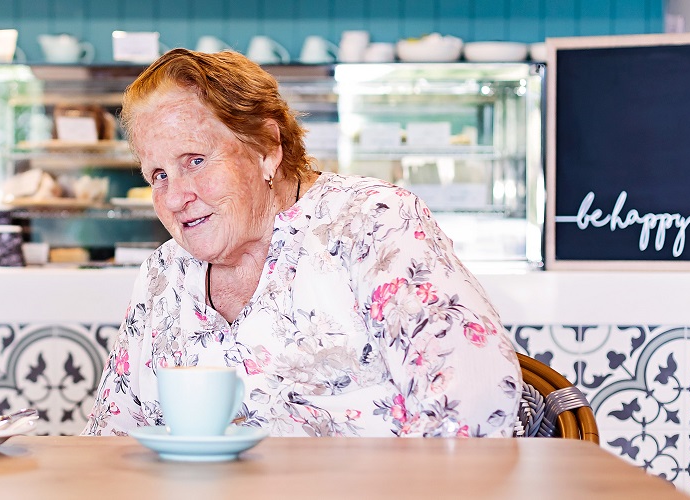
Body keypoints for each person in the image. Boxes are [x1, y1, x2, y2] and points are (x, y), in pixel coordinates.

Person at [83, 49, 521, 438]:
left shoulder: (370, 225)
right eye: (158, 175)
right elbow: (110, 436)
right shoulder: (164, 273)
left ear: (267, 147)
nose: (175, 197)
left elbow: (474, 406)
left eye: (195, 161)